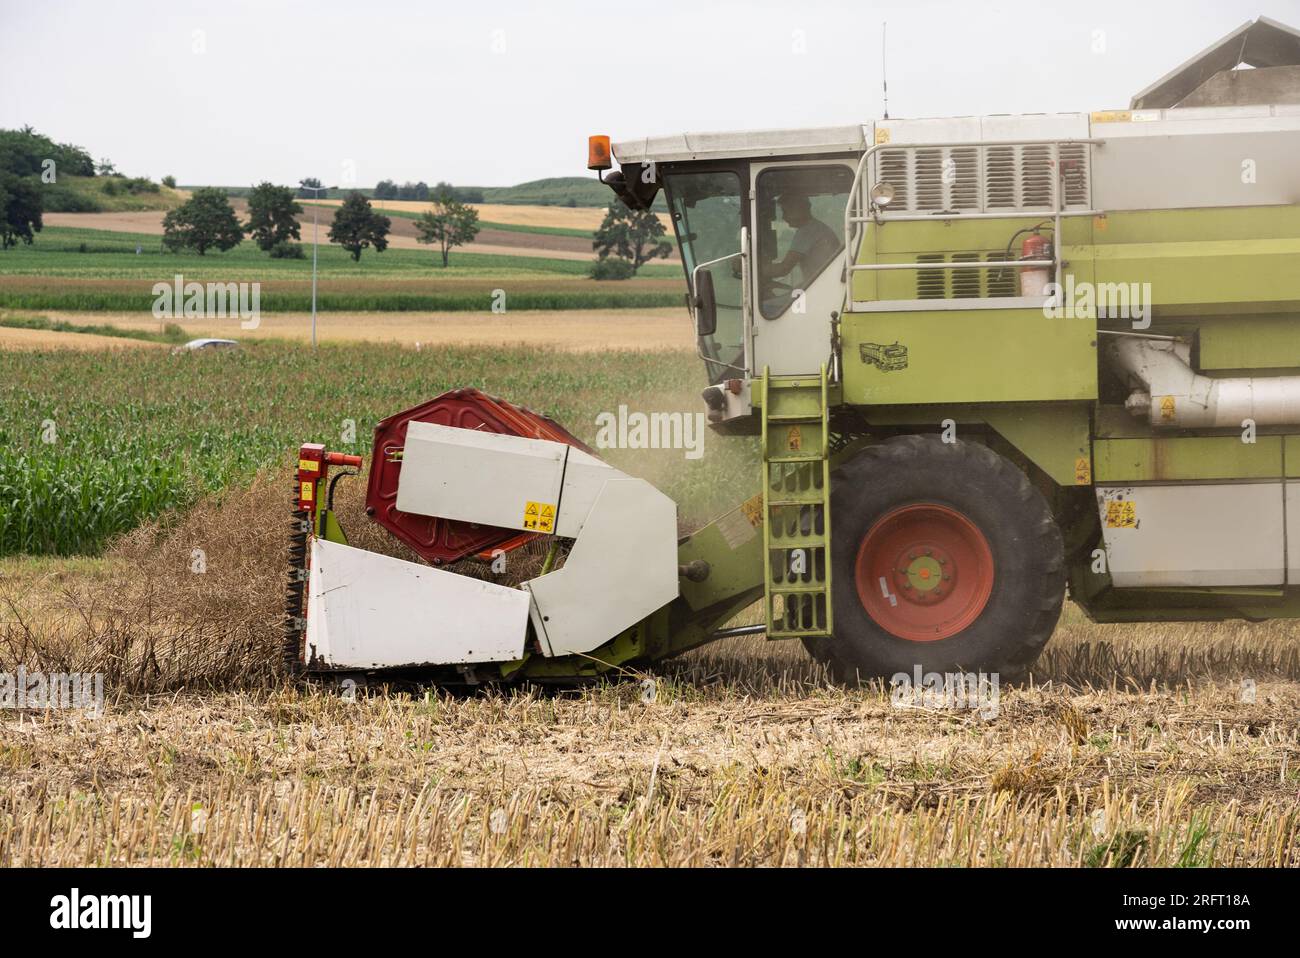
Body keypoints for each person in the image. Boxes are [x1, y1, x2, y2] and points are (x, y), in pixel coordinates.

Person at [765, 192, 839, 292]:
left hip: (823, 290)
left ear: (799, 208)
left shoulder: (807, 231)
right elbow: (812, 279)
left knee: (769, 305)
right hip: (826, 287)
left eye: (785, 211)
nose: (783, 217)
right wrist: (788, 289)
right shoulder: (817, 228)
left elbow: (783, 269)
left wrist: (750, 270)